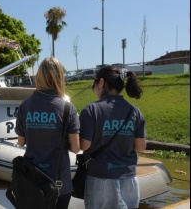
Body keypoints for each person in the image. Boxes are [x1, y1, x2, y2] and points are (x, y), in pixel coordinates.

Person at [15, 57, 80, 209]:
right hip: (59, 182)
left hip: (32, 180)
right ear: (59, 77)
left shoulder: (25, 105)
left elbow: (21, 141)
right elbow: (76, 148)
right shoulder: (68, 108)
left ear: (39, 76)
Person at [79, 66, 147, 209]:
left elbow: (84, 145)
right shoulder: (134, 111)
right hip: (130, 179)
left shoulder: (91, 110)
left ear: (101, 83)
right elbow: (141, 146)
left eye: (94, 84)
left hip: (101, 178)